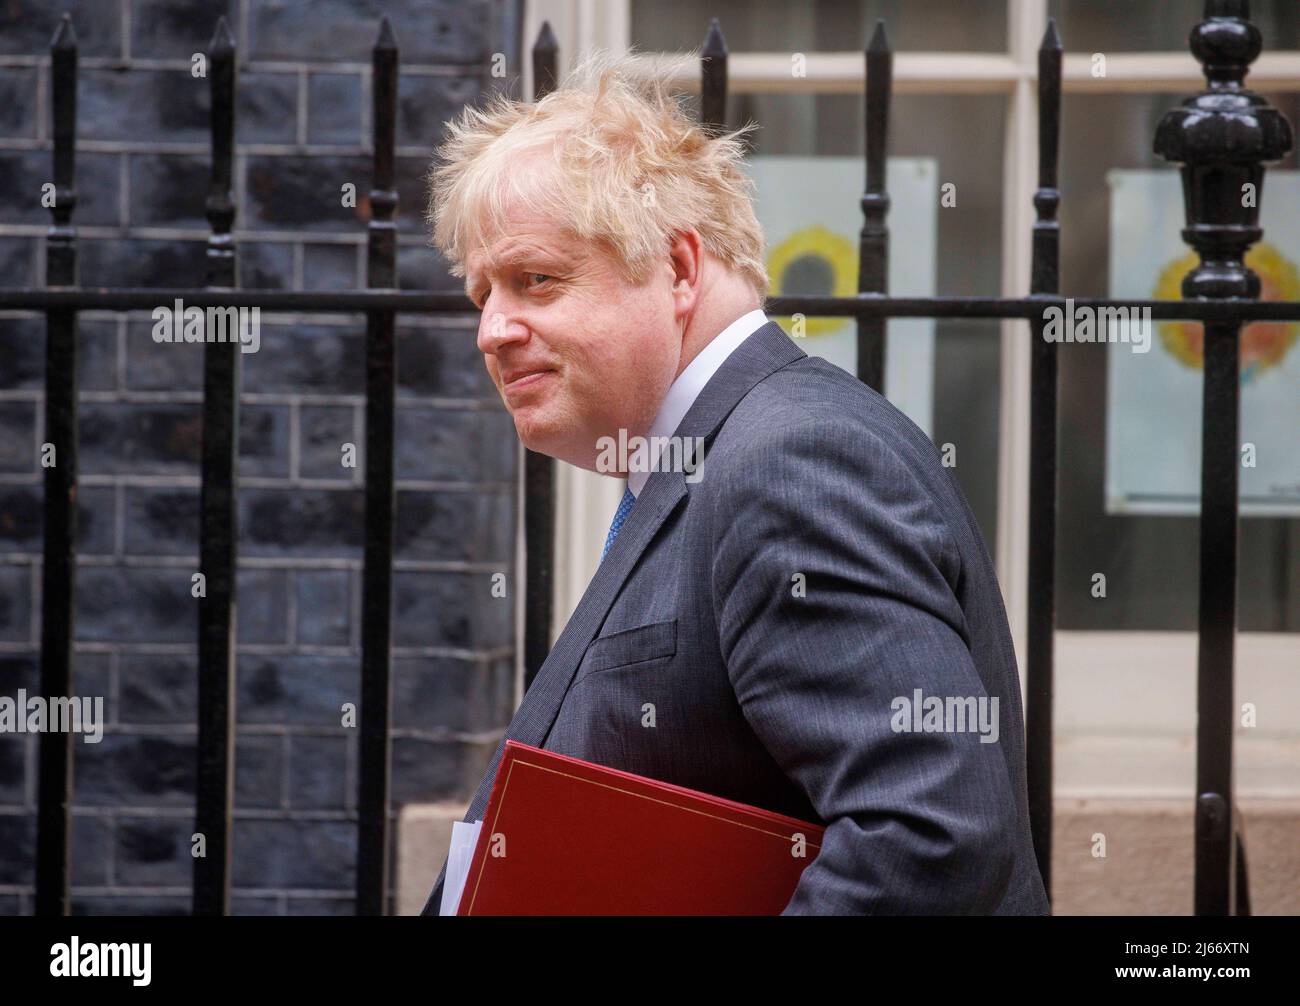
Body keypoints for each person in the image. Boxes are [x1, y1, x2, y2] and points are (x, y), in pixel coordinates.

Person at [418, 49, 1050, 915]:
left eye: (536, 279)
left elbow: (929, 837)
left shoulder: (791, 463)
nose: (492, 329)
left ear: (679, 268)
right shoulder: (710, 458)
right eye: (480, 292)